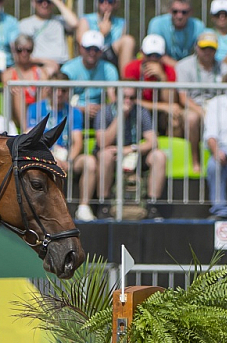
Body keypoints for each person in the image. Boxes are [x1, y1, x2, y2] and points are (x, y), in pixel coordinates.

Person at [27, 72, 99, 221]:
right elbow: (29, 136)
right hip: (43, 154)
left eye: (64, 90)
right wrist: (50, 156)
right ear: (48, 89)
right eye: (55, 89)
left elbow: (77, 141)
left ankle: (84, 207)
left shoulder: (74, 112)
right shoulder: (35, 109)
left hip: (66, 156)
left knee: (90, 162)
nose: (59, 93)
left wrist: (69, 160)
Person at [94, 88, 167, 219]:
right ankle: (103, 205)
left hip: (134, 154)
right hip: (112, 154)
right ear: (116, 97)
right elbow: (102, 142)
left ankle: (152, 207)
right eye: (124, 97)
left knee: (159, 156)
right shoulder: (105, 112)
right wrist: (120, 117)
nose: (128, 101)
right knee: (105, 155)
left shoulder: (141, 111)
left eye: (131, 97)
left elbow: (153, 141)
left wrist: (131, 149)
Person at [176, 31, 227, 175]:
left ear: (216, 50)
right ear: (197, 48)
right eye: (204, 48)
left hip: (219, 107)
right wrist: (204, 112)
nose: (207, 52)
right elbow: (183, 98)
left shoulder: (224, 69)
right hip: (195, 107)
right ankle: (195, 160)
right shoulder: (184, 66)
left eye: (211, 48)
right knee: (192, 119)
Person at [123, 34, 182, 138]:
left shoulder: (169, 70)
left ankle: (172, 151)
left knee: (175, 116)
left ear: (163, 55)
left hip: (160, 115)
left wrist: (163, 78)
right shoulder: (131, 68)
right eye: (149, 55)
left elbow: (171, 102)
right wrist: (162, 107)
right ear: (141, 53)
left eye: (157, 55)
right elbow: (129, 100)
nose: (153, 59)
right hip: (136, 111)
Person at [60, 30, 119, 120]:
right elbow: (61, 98)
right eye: (88, 48)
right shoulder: (68, 69)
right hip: (72, 111)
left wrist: (102, 109)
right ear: (81, 48)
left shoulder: (109, 69)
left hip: (101, 113)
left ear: (101, 51)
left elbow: (113, 99)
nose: (92, 53)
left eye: (96, 49)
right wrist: (82, 109)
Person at [18, 0, 79, 76]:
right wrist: (47, 62)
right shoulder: (25, 24)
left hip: (63, 66)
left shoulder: (60, 21)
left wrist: (58, 3)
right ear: (33, 3)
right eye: (40, 1)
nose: (44, 4)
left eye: (48, 1)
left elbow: (75, 23)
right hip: (39, 65)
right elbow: (21, 53)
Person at [76, 0, 136, 74]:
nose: (105, 4)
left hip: (111, 54)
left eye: (110, 1)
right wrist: (102, 34)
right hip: (92, 52)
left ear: (116, 4)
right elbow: (81, 43)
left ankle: (126, 82)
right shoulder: (86, 20)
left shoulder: (120, 23)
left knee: (128, 41)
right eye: (101, 1)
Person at [3, 34, 48, 132]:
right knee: (17, 90)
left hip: (35, 108)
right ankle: (26, 131)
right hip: (15, 112)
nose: (24, 53)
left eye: (28, 50)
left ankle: (40, 127)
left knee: (44, 89)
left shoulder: (39, 71)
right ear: (15, 51)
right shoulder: (9, 73)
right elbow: (6, 86)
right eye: (20, 50)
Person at [147, 0, 205, 65]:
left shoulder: (198, 26)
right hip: (163, 65)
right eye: (175, 12)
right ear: (169, 11)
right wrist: (179, 68)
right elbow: (154, 53)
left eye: (184, 12)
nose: (179, 16)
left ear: (191, 12)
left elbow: (202, 52)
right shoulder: (157, 23)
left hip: (189, 67)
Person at [203, 76, 227, 219]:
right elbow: (211, 134)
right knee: (214, 165)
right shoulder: (216, 103)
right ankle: (221, 211)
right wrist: (216, 151)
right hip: (224, 147)